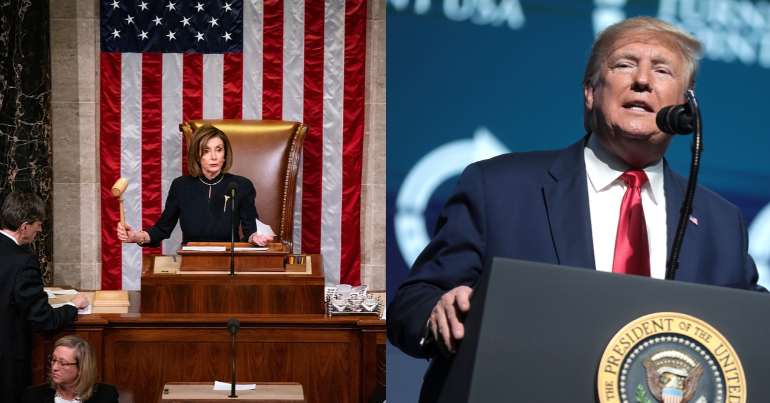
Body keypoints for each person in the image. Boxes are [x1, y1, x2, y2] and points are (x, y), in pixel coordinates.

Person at [387, 16, 763, 402]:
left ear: (685, 106)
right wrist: (438, 312)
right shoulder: (499, 186)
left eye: (662, 70)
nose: (643, 80)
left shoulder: (719, 221)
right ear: (590, 92)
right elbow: (412, 303)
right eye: (624, 64)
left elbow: (751, 328)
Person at [117, 124, 274, 247]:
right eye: (206, 151)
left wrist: (256, 237)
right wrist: (137, 237)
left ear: (225, 155)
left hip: (229, 261)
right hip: (191, 262)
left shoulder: (241, 185)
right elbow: (161, 229)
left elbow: (251, 229)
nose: (213, 157)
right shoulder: (181, 186)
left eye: (218, 150)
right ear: (197, 156)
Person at [0, 192, 90, 402]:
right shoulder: (23, 262)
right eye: (37, 224)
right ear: (24, 227)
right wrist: (73, 306)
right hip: (7, 364)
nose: (40, 229)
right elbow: (42, 318)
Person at [21, 335, 118, 403]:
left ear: (81, 367)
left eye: (63, 363)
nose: (54, 368)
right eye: (53, 360)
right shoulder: (33, 396)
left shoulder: (106, 396)